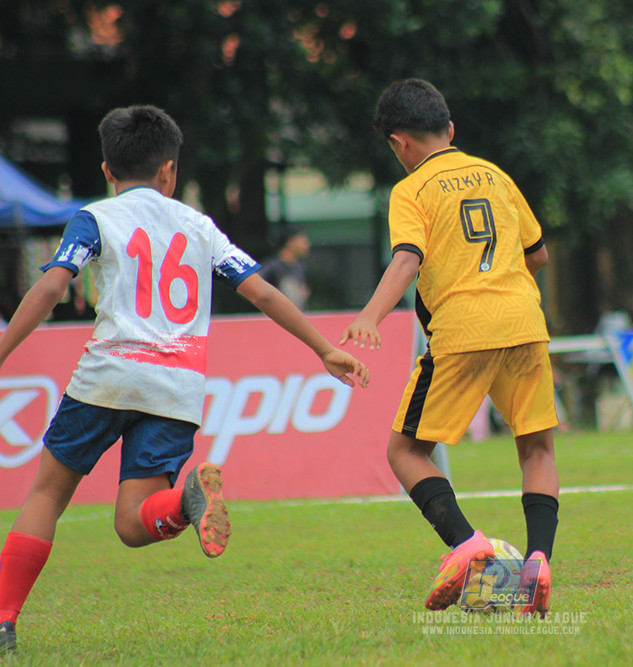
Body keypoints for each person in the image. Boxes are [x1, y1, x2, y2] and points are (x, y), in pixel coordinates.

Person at [0, 105, 369, 654]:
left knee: (48, 495)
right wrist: (324, 348)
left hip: (108, 375)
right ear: (169, 170)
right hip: (176, 387)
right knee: (133, 524)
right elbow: (263, 291)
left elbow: (53, 287)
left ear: (107, 170)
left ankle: (3, 620)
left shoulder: (95, 218)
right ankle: (184, 501)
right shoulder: (199, 226)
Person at [341, 79, 559, 617]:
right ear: (450, 129)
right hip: (525, 322)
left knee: (405, 451)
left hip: (464, 330)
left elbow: (407, 259)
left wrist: (370, 316)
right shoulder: (497, 176)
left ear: (399, 143)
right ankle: (537, 564)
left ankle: (467, 546)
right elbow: (538, 255)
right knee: (537, 449)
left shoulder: (412, 190)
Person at [259, 225, 311, 310]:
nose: (306, 245)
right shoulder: (273, 266)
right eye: (302, 240)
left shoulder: (299, 267)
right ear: (290, 242)